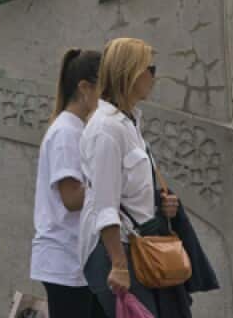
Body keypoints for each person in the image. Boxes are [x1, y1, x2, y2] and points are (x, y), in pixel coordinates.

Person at [79, 38, 186, 317]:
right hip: (116, 253)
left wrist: (162, 206)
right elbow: (105, 204)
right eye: (150, 67)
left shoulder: (129, 122)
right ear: (131, 71)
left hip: (137, 250)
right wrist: (118, 265)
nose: (155, 75)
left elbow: (130, 190)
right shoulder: (107, 129)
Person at [31, 48, 105, 317]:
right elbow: (72, 198)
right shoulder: (65, 133)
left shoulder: (78, 129)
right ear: (85, 88)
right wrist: (112, 184)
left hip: (79, 259)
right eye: (104, 88)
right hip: (64, 260)